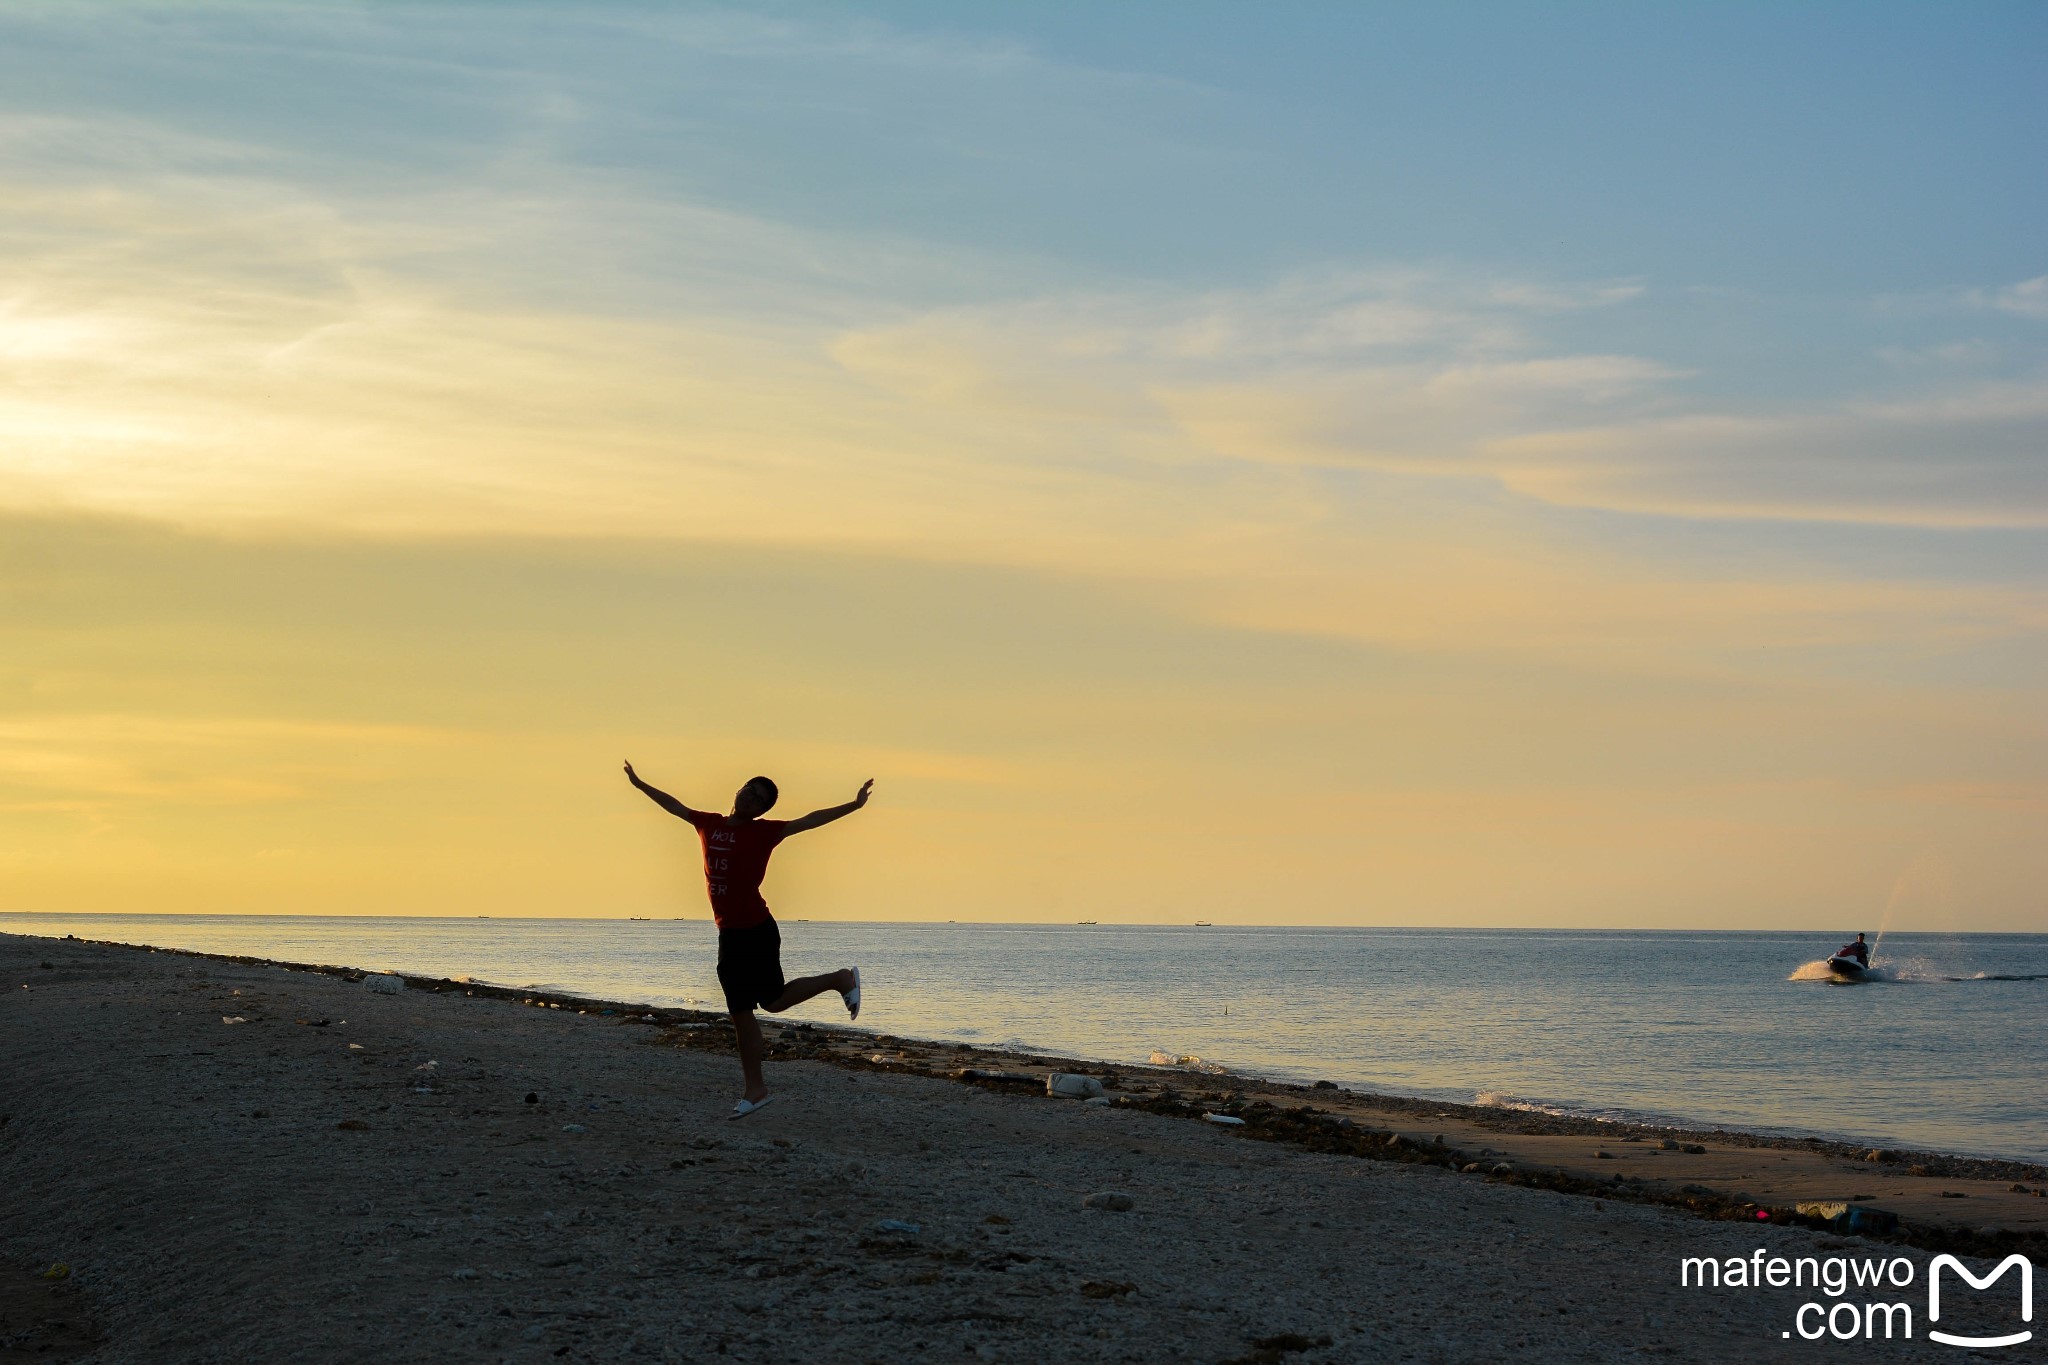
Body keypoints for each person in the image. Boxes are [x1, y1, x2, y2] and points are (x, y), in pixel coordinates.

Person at [624, 761, 871, 1118]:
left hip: (757, 931)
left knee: (772, 1003)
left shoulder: (765, 832)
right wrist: (639, 783)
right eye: (749, 789)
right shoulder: (709, 823)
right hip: (728, 934)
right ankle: (755, 1090)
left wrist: (854, 805)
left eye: (758, 799)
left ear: (762, 811)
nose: (749, 797)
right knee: (741, 1013)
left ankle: (840, 979)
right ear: (739, 790)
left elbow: (810, 819)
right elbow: (674, 805)